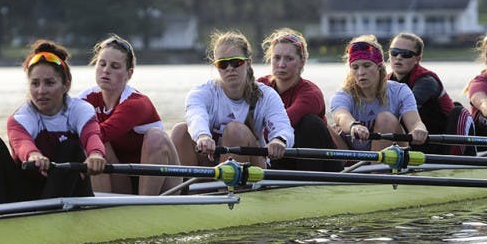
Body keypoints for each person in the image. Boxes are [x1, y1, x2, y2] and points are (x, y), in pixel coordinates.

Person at [0, 40, 106, 204]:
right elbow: (22, 143)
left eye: (49, 83)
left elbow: (92, 135)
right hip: (28, 191)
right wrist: (33, 155)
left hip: (71, 192)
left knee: (71, 148)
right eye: (35, 83)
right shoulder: (21, 117)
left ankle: (46, 217)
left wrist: (95, 154)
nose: (41, 91)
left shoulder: (81, 110)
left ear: (66, 85)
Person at [170, 30, 294, 169]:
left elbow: (283, 127)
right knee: (180, 131)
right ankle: (189, 188)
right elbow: (196, 116)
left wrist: (279, 140)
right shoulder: (201, 93)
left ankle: (231, 188)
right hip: (211, 167)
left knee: (235, 131)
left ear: (248, 63)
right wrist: (203, 136)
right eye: (222, 64)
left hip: (252, 168)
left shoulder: (267, 96)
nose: (229, 68)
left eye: (236, 62)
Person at [79, 34, 182, 195]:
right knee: (94, 143)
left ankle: (145, 208)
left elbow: (103, 132)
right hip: (122, 181)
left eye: (115, 66)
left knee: (155, 136)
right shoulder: (85, 99)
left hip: (161, 185)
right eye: (102, 64)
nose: (106, 70)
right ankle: (97, 208)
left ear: (129, 74)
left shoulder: (136, 103)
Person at [257, 28, 341, 171]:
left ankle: (309, 185)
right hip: (277, 155)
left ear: (302, 62)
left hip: (317, 162)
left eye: (289, 59)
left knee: (311, 122)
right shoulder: (260, 86)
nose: (281, 64)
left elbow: (283, 122)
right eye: (277, 58)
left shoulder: (310, 93)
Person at [330, 35, 428, 151]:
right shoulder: (342, 95)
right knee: (321, 123)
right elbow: (341, 116)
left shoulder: (400, 91)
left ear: (379, 66)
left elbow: (415, 122)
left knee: (385, 118)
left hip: (391, 152)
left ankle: (376, 168)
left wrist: (419, 129)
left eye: (367, 66)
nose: (361, 72)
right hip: (351, 154)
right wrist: (353, 126)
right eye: (355, 67)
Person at [388, 32, 474, 155]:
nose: (398, 57)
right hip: (417, 139)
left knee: (458, 110)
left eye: (406, 54)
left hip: (442, 142)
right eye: (394, 52)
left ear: (417, 59)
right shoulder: (387, 81)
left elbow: (405, 108)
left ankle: (456, 158)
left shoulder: (426, 81)